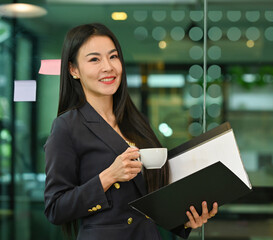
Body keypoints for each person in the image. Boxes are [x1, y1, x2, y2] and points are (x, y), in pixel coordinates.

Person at [44, 23, 218, 240]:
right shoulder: (67, 126)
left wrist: (184, 219)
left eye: (113, 56)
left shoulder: (135, 120)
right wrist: (109, 176)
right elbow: (55, 208)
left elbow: (147, 199)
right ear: (73, 70)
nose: (108, 67)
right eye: (94, 59)